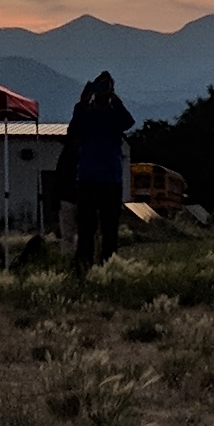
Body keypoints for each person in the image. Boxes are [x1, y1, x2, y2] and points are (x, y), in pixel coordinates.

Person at [62, 69, 136, 276]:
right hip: (88, 179)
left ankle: (108, 267)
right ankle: (83, 266)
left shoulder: (114, 116)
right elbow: (73, 131)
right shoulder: (85, 114)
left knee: (109, 229)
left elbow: (129, 122)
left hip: (110, 180)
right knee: (86, 228)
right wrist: (82, 102)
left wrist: (114, 99)